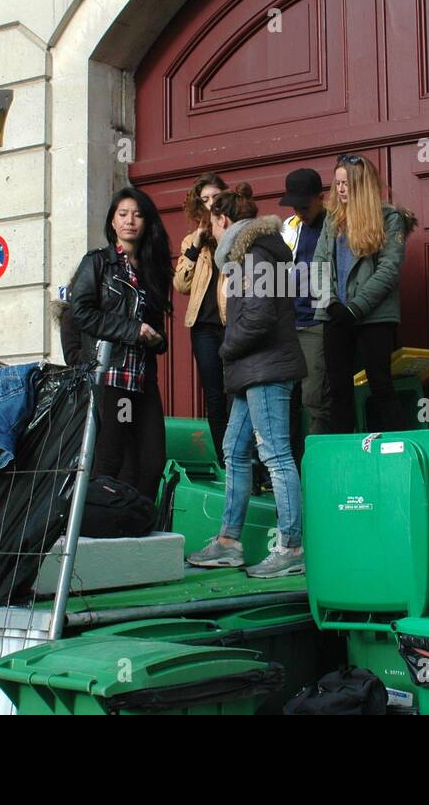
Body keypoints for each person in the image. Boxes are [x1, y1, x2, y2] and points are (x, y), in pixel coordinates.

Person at [187, 183, 308, 578]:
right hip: (252, 370)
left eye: (212, 223)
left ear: (223, 220)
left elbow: (257, 317)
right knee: (235, 451)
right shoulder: (253, 252)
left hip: (264, 369)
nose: (211, 231)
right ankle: (228, 542)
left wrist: (225, 348)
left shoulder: (254, 254)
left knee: (275, 455)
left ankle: (292, 548)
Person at [69, 187, 173, 502]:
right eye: (123, 214)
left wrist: (157, 339)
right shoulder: (98, 263)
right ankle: (101, 530)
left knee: (152, 462)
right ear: (112, 222)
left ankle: (136, 526)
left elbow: (154, 326)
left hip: (142, 380)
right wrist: (133, 329)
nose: (130, 221)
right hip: (111, 377)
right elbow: (81, 312)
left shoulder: (153, 270)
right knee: (111, 461)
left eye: (138, 214)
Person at [313, 154, 416, 434]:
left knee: (380, 383)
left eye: (346, 183)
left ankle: (397, 451)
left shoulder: (389, 218)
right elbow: (319, 264)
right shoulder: (332, 220)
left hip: (373, 315)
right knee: (338, 388)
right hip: (335, 314)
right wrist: (331, 303)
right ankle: (343, 455)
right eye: (337, 184)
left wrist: (355, 308)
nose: (341, 189)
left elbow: (388, 270)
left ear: (361, 185)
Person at [172, 173, 229, 465]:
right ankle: (225, 459)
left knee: (237, 392)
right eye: (204, 200)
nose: (210, 205)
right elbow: (181, 285)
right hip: (203, 327)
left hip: (232, 324)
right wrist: (195, 246)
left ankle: (246, 459)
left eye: (215, 198)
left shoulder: (236, 233)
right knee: (215, 396)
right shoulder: (190, 241)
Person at [279, 167, 331, 467]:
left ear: (320, 198)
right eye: (294, 205)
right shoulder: (290, 225)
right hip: (288, 323)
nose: (299, 210)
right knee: (285, 401)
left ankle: (316, 470)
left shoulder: (335, 226)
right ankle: (290, 473)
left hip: (316, 322)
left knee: (314, 399)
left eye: (305, 204)